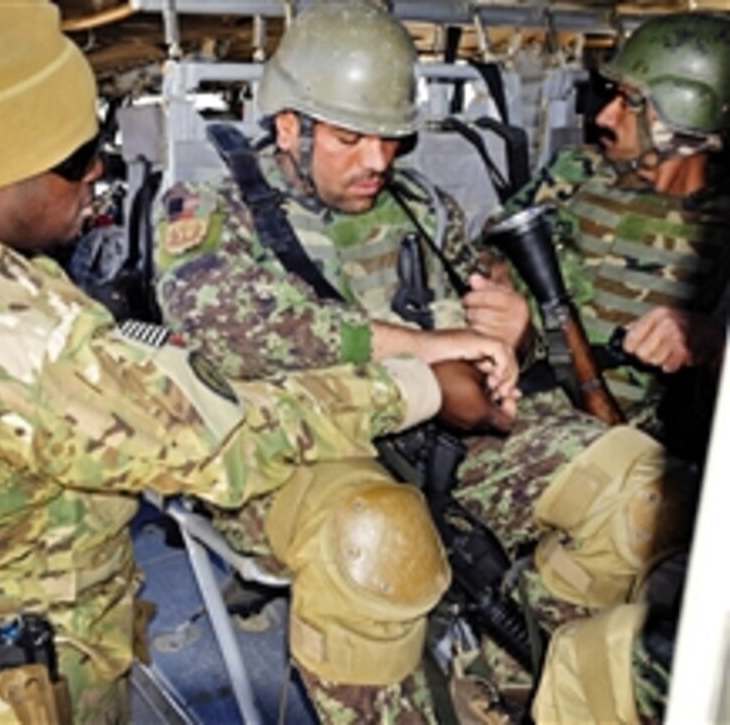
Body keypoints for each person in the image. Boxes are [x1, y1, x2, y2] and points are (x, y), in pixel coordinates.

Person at [0, 1, 501, 721]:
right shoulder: (20, 338)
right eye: (79, 160)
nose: (100, 178)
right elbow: (226, 440)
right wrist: (419, 386)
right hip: (33, 682)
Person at [153, 2, 696, 721]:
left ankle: (513, 682)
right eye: (350, 138)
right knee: (378, 539)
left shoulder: (420, 206)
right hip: (297, 449)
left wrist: (516, 334)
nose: (377, 161)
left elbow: (484, 315)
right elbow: (234, 326)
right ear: (291, 126)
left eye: (390, 139)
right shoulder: (211, 209)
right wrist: (423, 354)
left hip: (446, 438)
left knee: (642, 492)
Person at [470, 12, 730, 465]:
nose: (605, 116)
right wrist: (497, 286)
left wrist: (712, 339)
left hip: (662, 456)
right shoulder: (576, 172)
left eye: (630, 102)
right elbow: (490, 253)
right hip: (534, 413)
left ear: (686, 112)